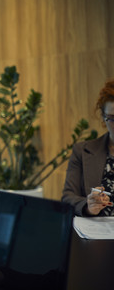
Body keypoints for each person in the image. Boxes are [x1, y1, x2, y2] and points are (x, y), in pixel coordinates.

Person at [62, 80, 114, 216]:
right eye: (112, 118)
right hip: (96, 233)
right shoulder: (82, 151)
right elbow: (68, 197)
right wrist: (88, 205)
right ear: (103, 118)